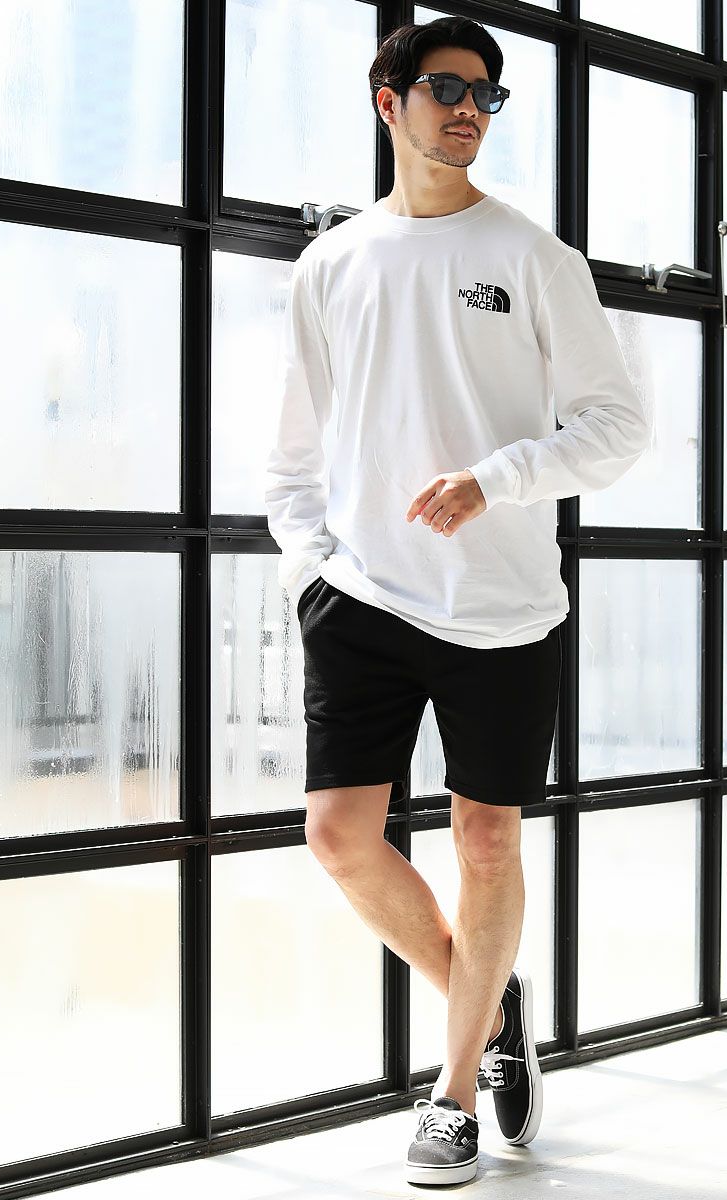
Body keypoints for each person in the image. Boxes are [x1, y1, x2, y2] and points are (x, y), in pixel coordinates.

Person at [265, 15, 651, 1187]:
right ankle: (487, 1010)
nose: (468, 109)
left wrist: (496, 479)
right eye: (444, 88)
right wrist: (309, 567)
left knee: (485, 839)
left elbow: (616, 428)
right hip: (360, 597)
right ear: (389, 102)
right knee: (339, 837)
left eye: (485, 93)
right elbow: (295, 450)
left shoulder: (533, 257)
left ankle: (452, 1098)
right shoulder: (332, 264)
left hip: (502, 604)